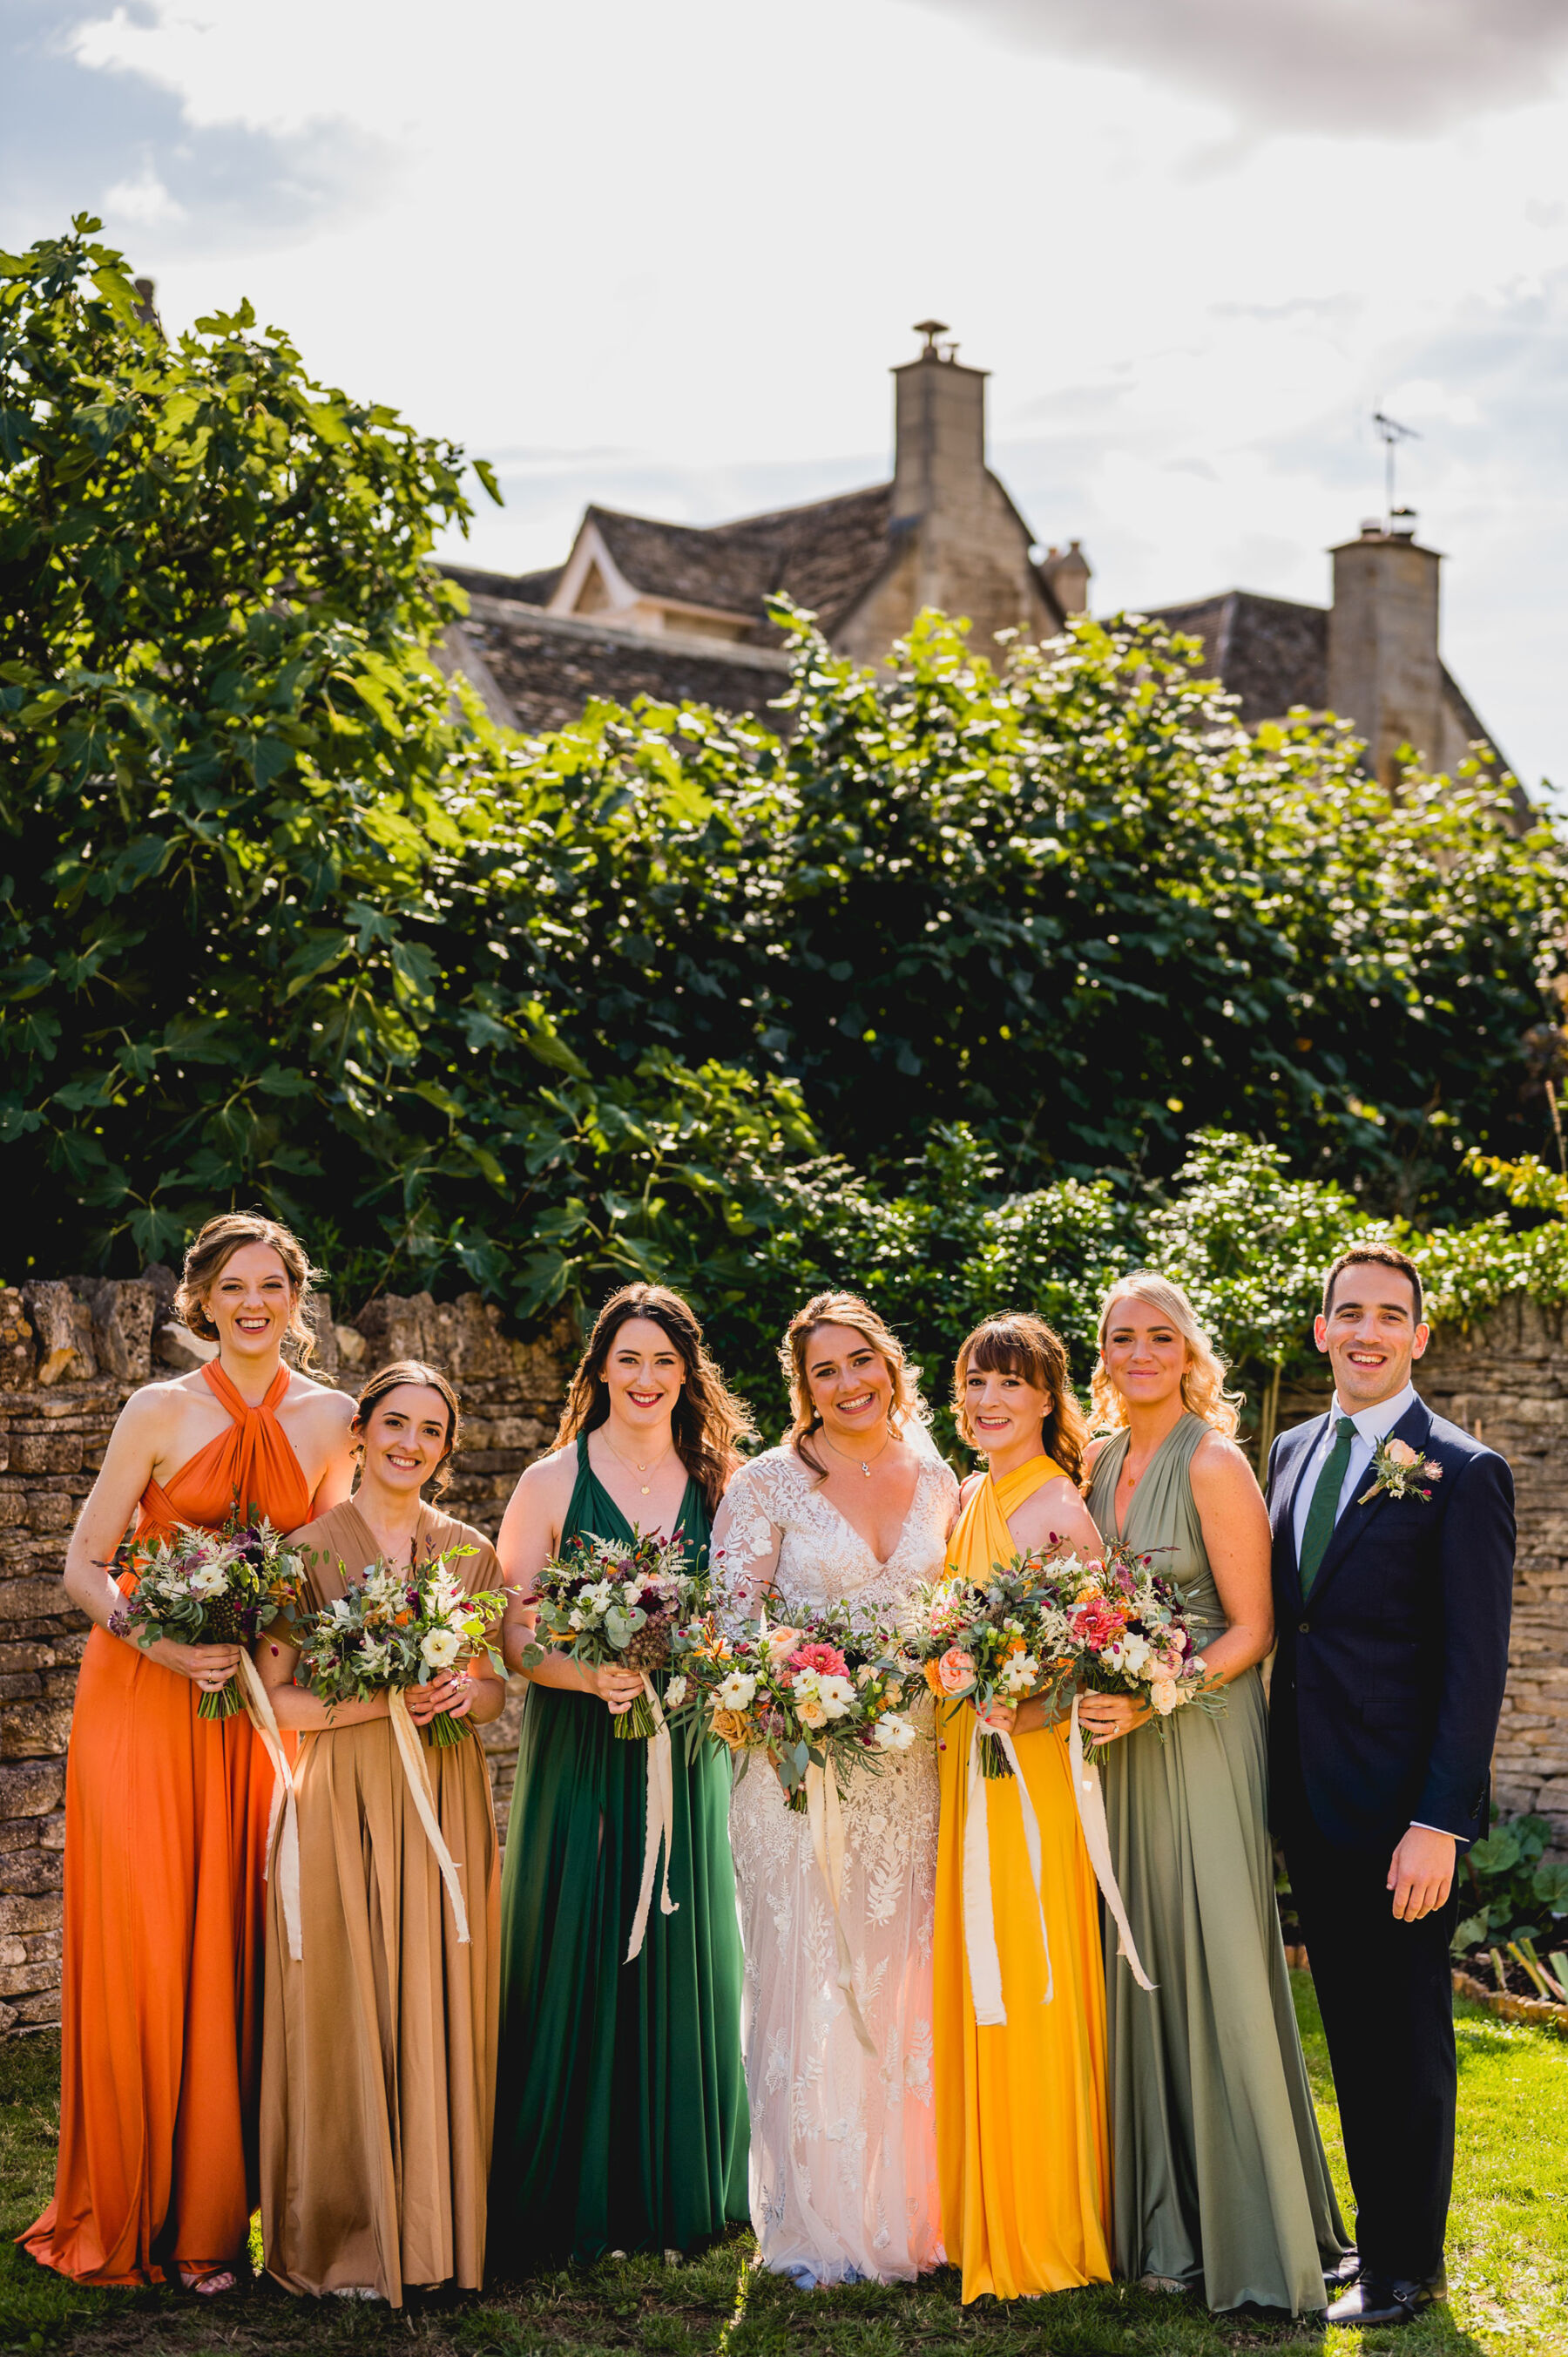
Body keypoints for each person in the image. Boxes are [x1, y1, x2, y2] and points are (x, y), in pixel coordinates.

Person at [21, 1214, 355, 2293]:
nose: (252, 1303)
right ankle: (144, 2214)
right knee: (156, 1945)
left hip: (260, 1712)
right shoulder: (156, 1409)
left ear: (298, 1296)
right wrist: (159, 1642)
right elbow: (84, 1564)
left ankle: (227, 2215)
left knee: (248, 1945)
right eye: (231, 1285)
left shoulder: (336, 1418)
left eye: (272, 1284)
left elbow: (334, 1572)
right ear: (200, 1298)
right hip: (145, 1704)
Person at [1082, 1271, 1348, 2315]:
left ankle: (1257, 2227)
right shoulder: (1098, 1462)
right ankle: (1159, 2220)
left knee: (1217, 1954)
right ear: (1101, 1354)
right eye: (1120, 1337)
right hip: (1119, 1737)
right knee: (1137, 1954)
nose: (1139, 1352)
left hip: (1200, 1728)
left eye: (1159, 1335)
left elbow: (1253, 1627)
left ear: (1189, 1351)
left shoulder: (1215, 1460)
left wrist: (1161, 1694)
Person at [1267, 1244, 1513, 2329]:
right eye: (1348, 1312)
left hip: (1402, 1814)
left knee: (1401, 2034)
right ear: (1321, 1328)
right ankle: (1375, 2239)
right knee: (1353, 2032)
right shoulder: (1286, 1450)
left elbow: (1475, 1665)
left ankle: (1407, 2267)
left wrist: (1439, 1822)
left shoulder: (1462, 1470)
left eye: (1391, 1315)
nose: (1367, 1330)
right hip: (1308, 1795)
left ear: (1418, 1336)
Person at [488, 1283, 752, 2262]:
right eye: (630, 1359)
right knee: (578, 1929)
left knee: (684, 1931)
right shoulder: (552, 1479)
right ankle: (567, 2183)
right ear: (600, 1365)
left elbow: (741, 1614)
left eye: (666, 1363)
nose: (646, 1379)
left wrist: (694, 1669)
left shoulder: (719, 1480)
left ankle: (673, 2184)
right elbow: (514, 1631)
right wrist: (582, 1669)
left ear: (688, 1376)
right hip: (579, 1742)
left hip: (683, 1743)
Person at [711, 1291, 958, 2289]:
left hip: (917, 1767)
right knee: (810, 1979)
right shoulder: (767, 1482)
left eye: (863, 1359)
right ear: (800, 1386)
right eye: (826, 1369)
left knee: (908, 1985)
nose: (849, 1381)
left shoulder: (942, 1479)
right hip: (798, 1774)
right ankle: (815, 2225)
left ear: (890, 1362)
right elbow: (730, 1632)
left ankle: (911, 2215)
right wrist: (798, 1699)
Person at [257, 1360, 504, 2305]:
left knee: (441, 1998)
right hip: (344, 1801)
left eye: (430, 1430)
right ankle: (350, 2237)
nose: (410, 1444)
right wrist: (379, 1701)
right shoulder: (308, 1549)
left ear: (446, 1446)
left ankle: (438, 2235)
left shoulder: (470, 1552)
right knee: (350, 2000)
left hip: (443, 1796)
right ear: (360, 1430)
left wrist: (461, 1691)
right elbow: (274, 1701)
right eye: (394, 1424)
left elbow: (489, 1693)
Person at [933, 1315, 1112, 2303]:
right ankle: (980, 2211)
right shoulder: (972, 1495)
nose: (988, 1400)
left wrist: (1027, 1698)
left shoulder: (1054, 1508)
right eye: (974, 1382)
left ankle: (1039, 2222)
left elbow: (1092, 1651)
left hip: (1028, 1767)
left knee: (1026, 1968)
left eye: (1008, 1383)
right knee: (975, 1964)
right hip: (969, 1754)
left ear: (1047, 1396)